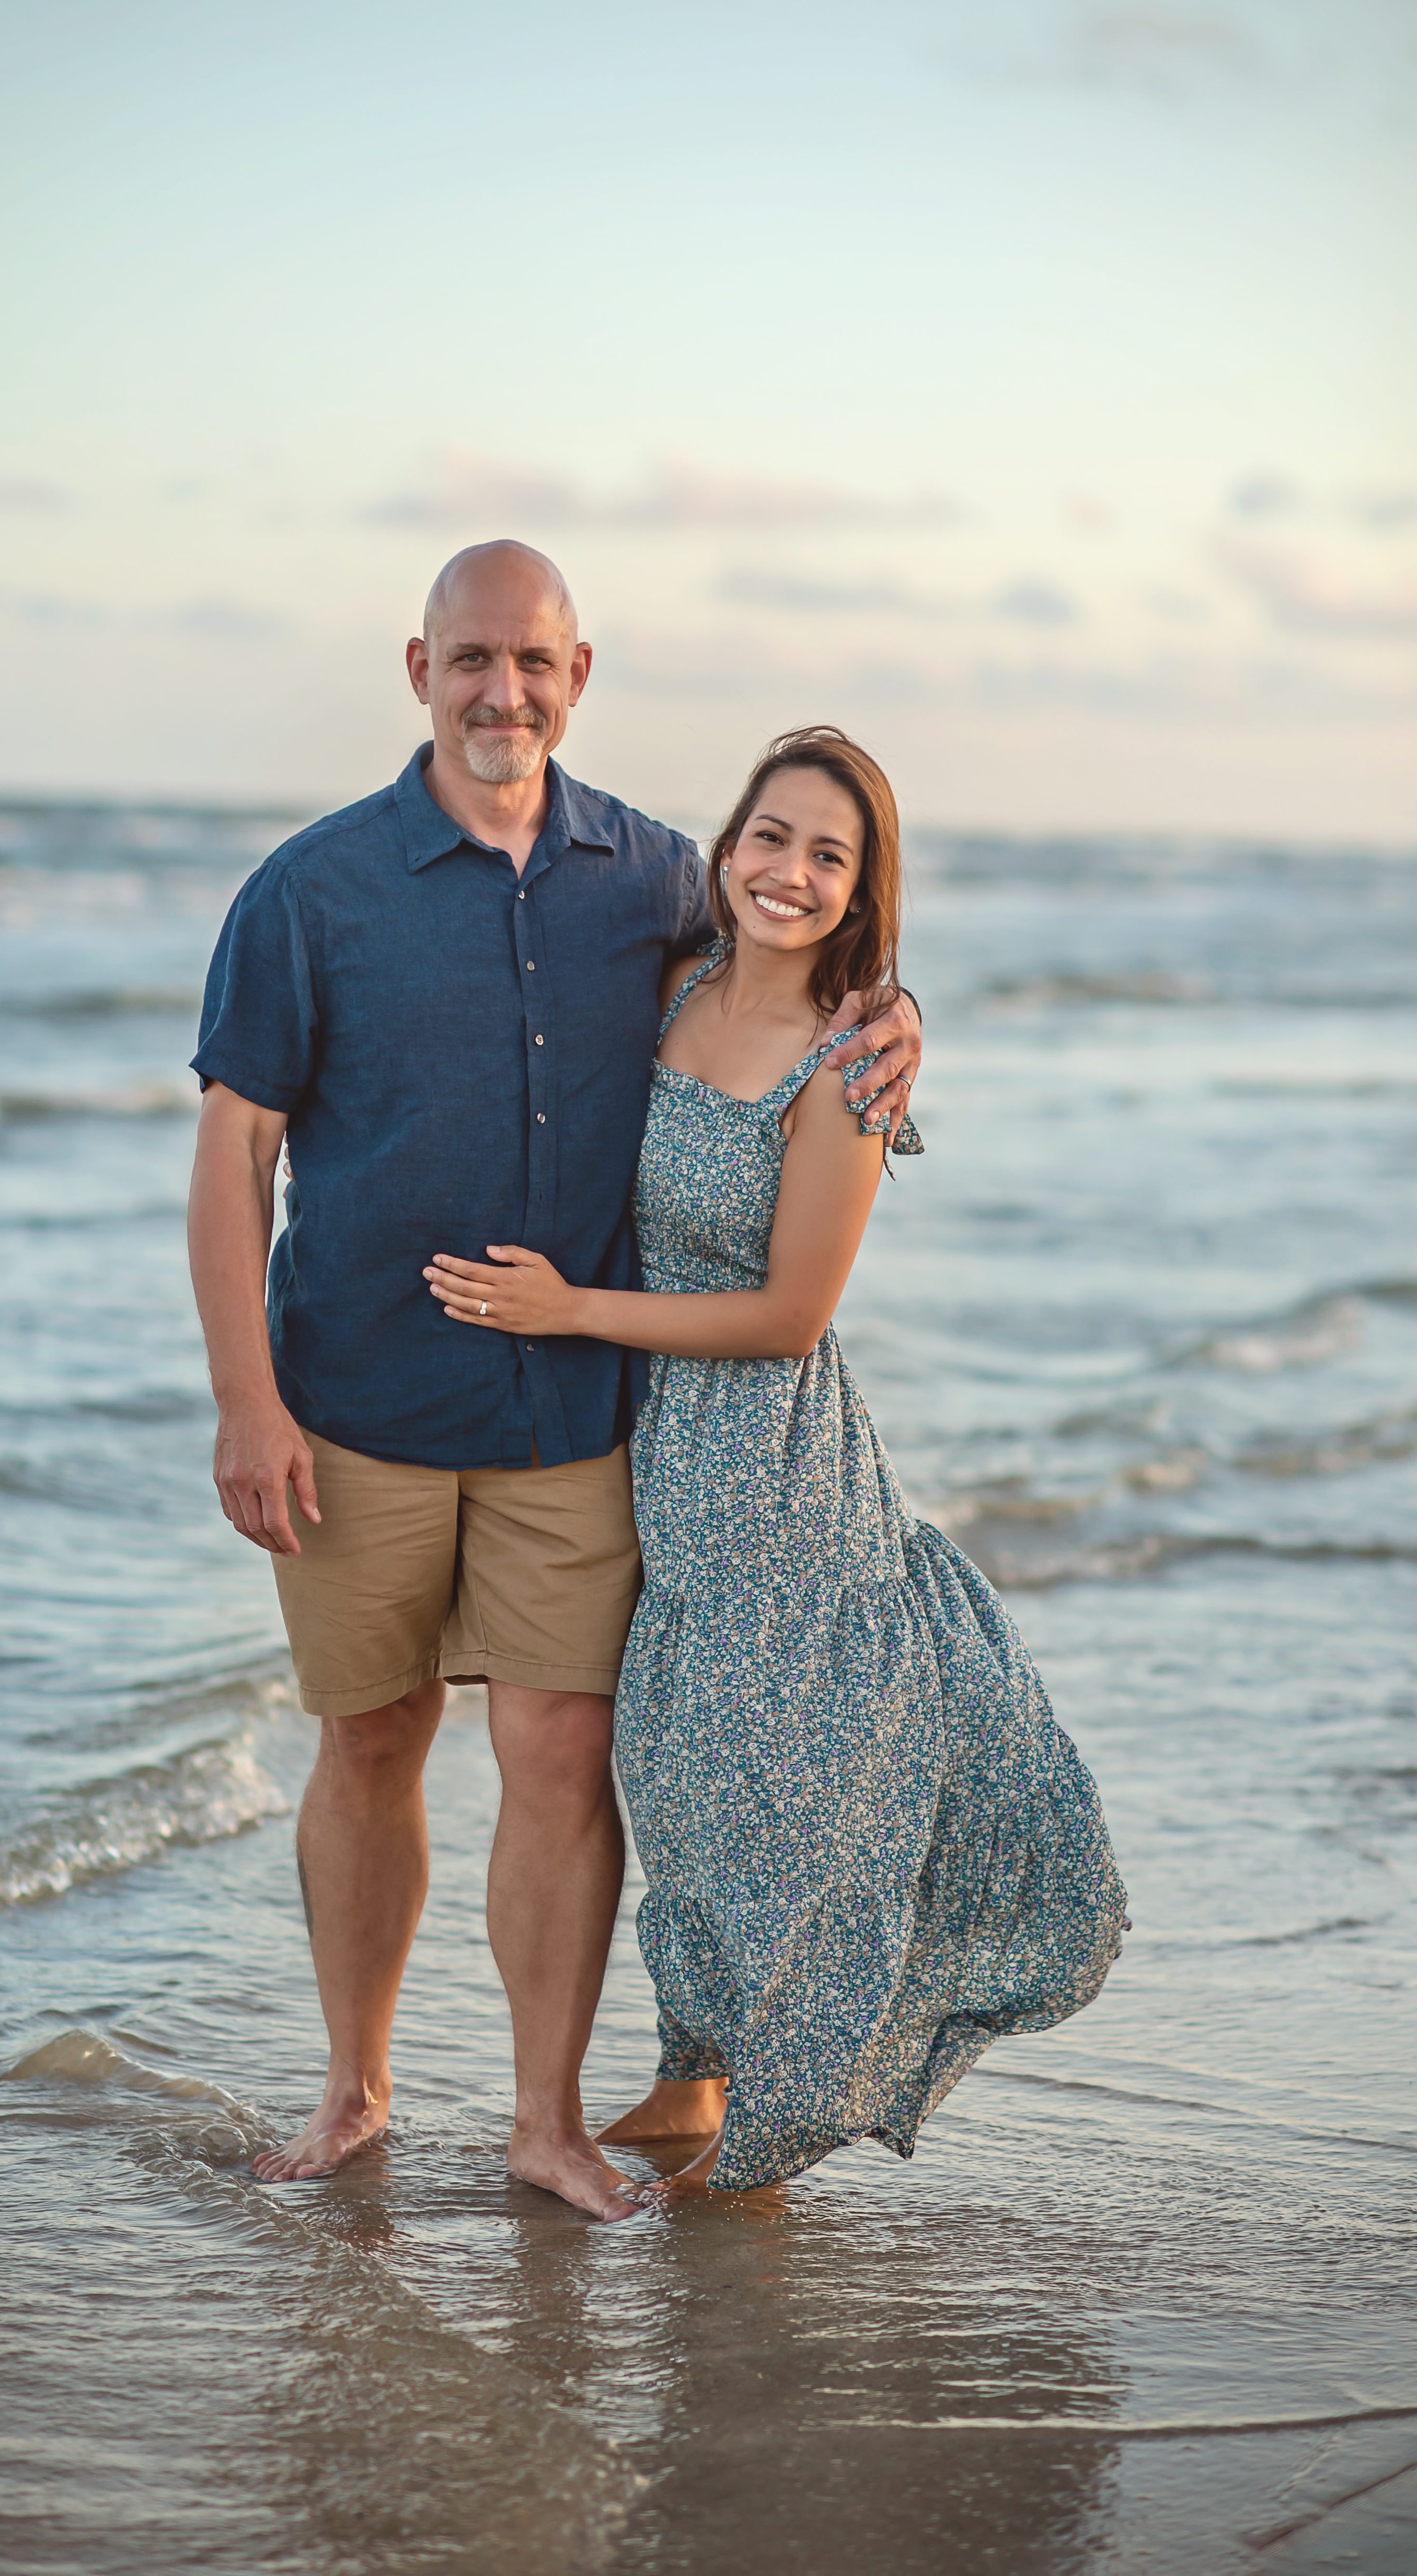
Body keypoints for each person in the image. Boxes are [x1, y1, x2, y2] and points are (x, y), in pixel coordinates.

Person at [185, 545, 921, 2218]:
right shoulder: (310, 891)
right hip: (354, 1405)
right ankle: (356, 2091)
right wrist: (245, 1398)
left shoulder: (661, 879)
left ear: (579, 673)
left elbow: (793, 985)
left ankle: (543, 2118)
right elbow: (233, 1156)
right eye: (470, 660)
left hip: (571, 1427)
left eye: (531, 660)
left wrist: (897, 1016)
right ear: (418, 669)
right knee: (369, 1742)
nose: (501, 692)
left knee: (562, 1755)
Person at [425, 726, 1126, 2194]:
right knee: (677, 1775)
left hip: (771, 1467)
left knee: (782, 1796)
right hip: (651, 1451)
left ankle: (770, 2131)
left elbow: (794, 1314)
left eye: (830, 855)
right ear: (724, 846)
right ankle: (695, 2080)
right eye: (771, 837)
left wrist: (567, 1310)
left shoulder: (848, 1061)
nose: (790, 874)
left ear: (865, 889)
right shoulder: (677, 976)